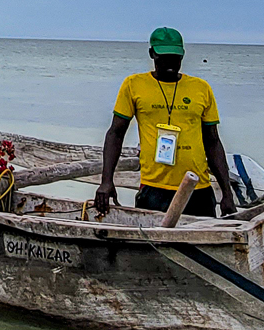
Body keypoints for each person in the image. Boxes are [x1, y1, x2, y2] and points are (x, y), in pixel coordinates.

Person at [93, 27, 237, 219]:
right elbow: (115, 134)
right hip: (154, 189)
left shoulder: (201, 89)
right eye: (164, 57)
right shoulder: (133, 85)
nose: (171, 63)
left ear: (183, 55)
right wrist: (106, 181)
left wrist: (227, 194)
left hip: (198, 188)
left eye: (175, 57)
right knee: (152, 246)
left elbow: (212, 142)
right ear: (152, 54)